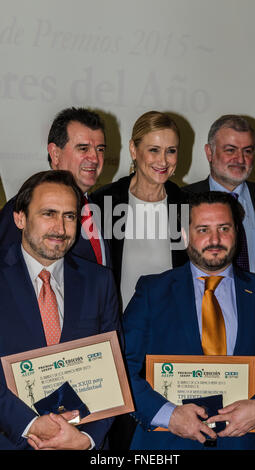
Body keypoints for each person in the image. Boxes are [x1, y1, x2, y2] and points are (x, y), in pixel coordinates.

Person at [123, 191, 255, 450]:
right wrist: (168, 415)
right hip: (165, 445)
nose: (215, 239)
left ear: (237, 231)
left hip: (241, 443)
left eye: (223, 228)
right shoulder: (152, 292)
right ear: (184, 234)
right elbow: (121, 369)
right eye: (203, 229)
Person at [0, 170, 120, 450]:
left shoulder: (99, 281)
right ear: (20, 218)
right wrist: (29, 425)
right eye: (48, 214)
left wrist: (86, 438)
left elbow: (114, 369)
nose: (60, 227)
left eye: (69, 216)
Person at [92, 110, 188, 311]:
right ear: (133, 150)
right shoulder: (103, 202)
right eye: (154, 150)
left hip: (171, 328)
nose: (163, 161)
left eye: (171, 150)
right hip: (119, 329)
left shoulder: (185, 205)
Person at [0, 107, 111, 267]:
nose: (94, 158)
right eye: (83, 148)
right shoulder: (24, 208)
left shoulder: (98, 207)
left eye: (100, 149)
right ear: (55, 154)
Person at [184, 114, 255, 278]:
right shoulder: (181, 200)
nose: (240, 159)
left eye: (247, 151)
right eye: (230, 150)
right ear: (210, 152)